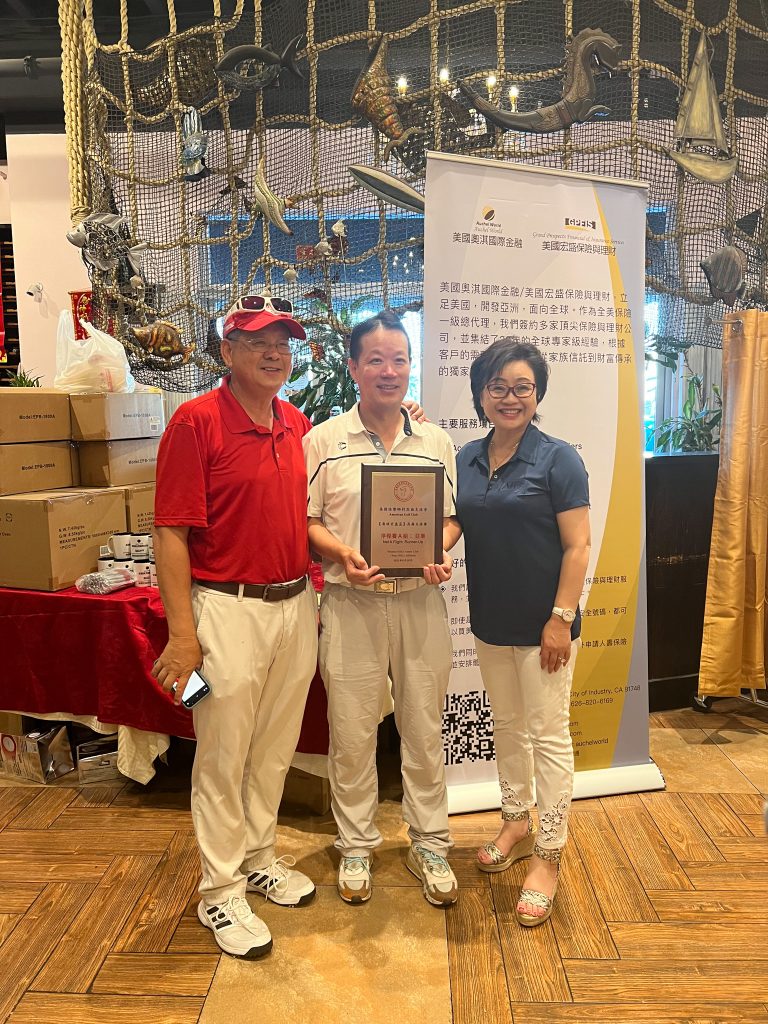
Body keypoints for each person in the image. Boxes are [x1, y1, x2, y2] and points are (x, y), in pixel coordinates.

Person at [152, 294, 319, 960]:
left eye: (282, 342)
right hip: (226, 608)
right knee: (223, 756)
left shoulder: (297, 423)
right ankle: (219, 890)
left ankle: (258, 856)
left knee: (274, 746)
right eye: (256, 342)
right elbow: (171, 534)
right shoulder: (195, 422)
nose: (274, 353)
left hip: (296, 604)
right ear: (227, 351)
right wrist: (182, 635)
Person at [304, 310, 458, 908]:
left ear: (410, 366)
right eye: (376, 360)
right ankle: (356, 844)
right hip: (351, 604)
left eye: (399, 359)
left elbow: (451, 519)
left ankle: (431, 843)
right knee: (350, 732)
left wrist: (437, 550)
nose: (389, 371)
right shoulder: (322, 441)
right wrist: (343, 553)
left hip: (420, 603)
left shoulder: (435, 442)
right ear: (353, 367)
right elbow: (308, 521)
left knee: (424, 729)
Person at [445, 339, 591, 926]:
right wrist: (421, 553)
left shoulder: (558, 459)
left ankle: (549, 855)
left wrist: (560, 618)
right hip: (490, 622)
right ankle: (515, 820)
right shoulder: (466, 457)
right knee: (506, 725)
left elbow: (578, 546)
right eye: (498, 387)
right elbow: (454, 523)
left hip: (544, 628)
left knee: (548, 737)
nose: (510, 397)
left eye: (522, 387)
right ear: (481, 394)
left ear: (537, 393)